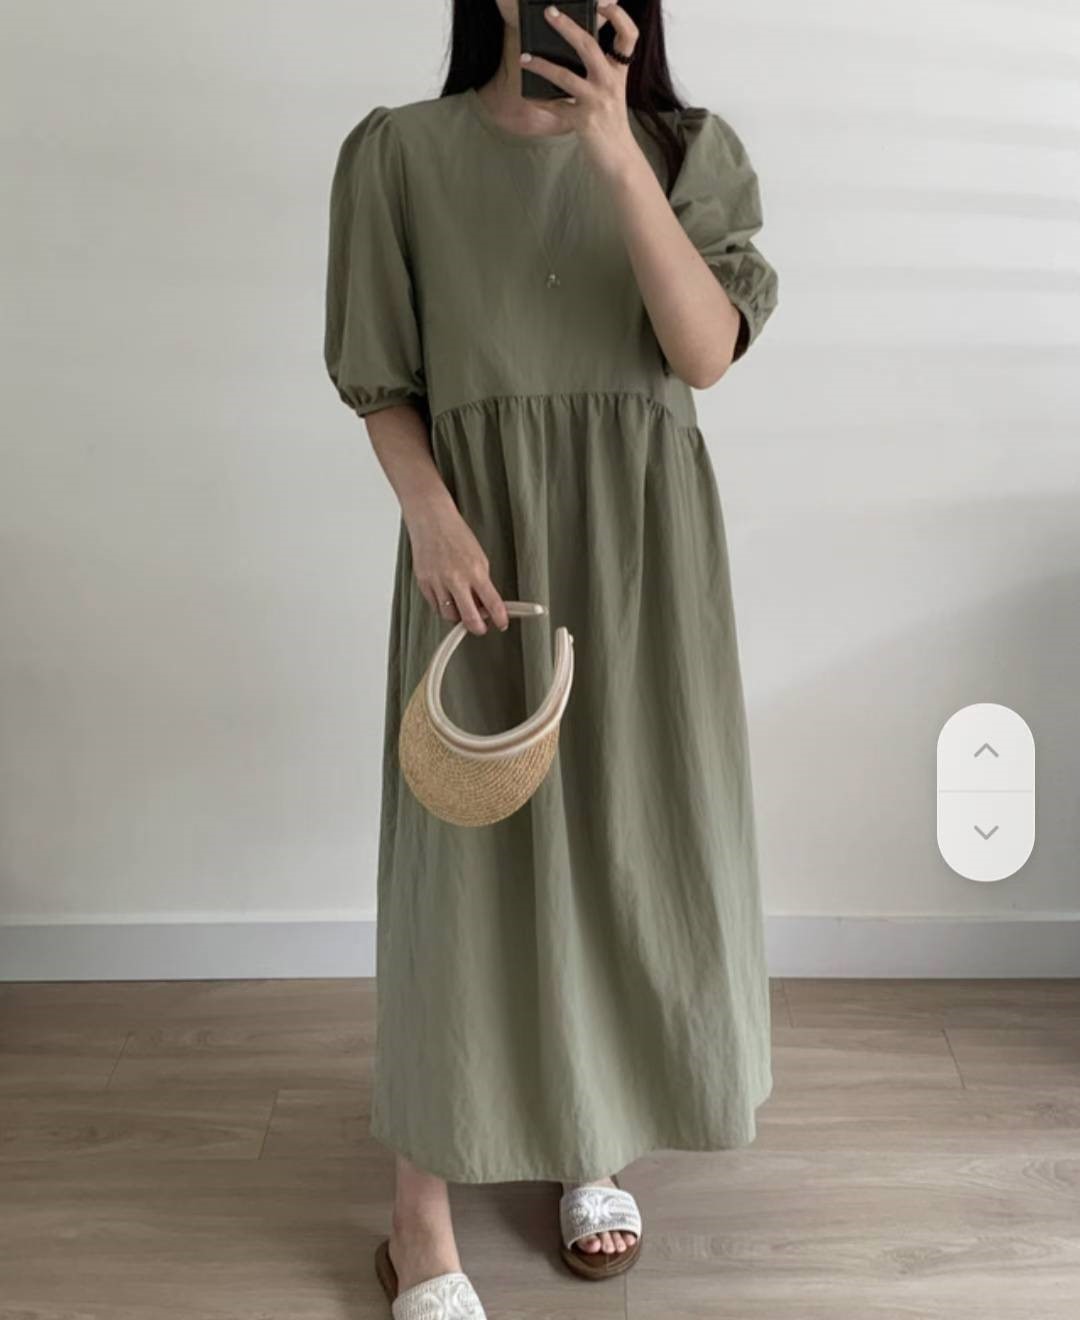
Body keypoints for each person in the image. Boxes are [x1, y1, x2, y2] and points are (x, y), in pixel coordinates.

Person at [323, 1, 779, 1314]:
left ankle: (593, 1137)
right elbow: (378, 374)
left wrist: (614, 146)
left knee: (627, 844)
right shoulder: (400, 154)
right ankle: (418, 1218)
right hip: (477, 552)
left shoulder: (687, 149)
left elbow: (704, 353)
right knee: (457, 861)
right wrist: (428, 514)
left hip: (640, 556)